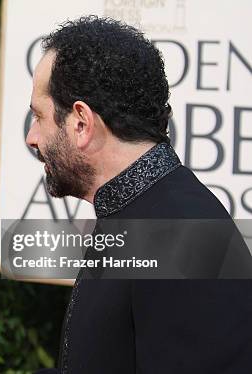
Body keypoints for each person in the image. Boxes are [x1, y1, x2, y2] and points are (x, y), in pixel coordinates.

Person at [26, 16, 252, 373]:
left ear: (81, 122)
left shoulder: (182, 235)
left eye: (39, 117)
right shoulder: (140, 209)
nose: (32, 138)